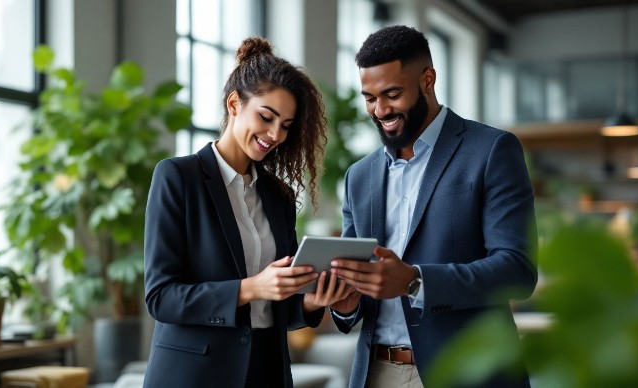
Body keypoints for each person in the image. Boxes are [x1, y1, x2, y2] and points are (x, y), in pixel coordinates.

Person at [329, 25, 538, 388]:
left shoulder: (491, 151)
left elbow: (517, 271)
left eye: (392, 94)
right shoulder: (358, 177)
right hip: (377, 373)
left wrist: (414, 281)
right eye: (369, 97)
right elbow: (358, 280)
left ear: (428, 79)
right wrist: (344, 304)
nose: (380, 110)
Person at [143, 37, 352, 388]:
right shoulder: (178, 177)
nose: (275, 135)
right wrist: (250, 288)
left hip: (266, 371)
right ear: (234, 103)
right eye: (266, 117)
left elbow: (278, 306)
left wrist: (312, 303)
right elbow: (161, 298)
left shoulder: (278, 196)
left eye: (286, 125)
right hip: (194, 376)